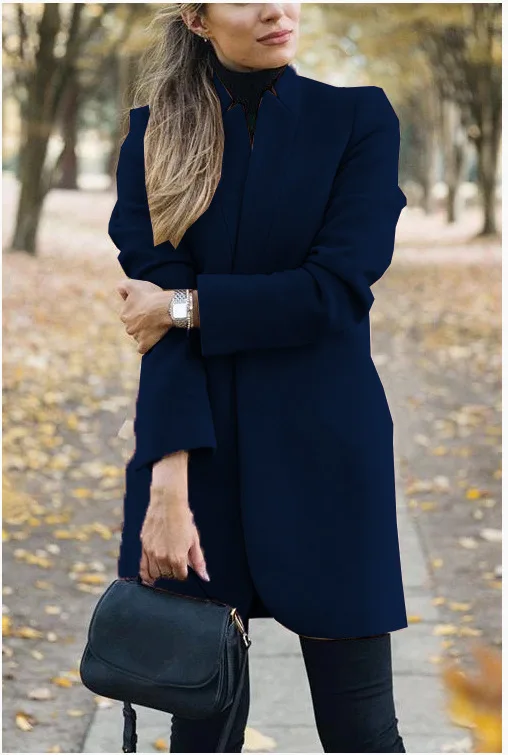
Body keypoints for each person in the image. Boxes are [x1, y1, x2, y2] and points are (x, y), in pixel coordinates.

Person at [109, 3, 408, 752]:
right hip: (196, 459)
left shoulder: (358, 120)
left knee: (364, 733)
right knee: (201, 726)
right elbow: (155, 330)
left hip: (328, 456)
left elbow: (333, 293)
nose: (277, 10)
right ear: (198, 18)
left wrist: (185, 305)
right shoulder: (153, 136)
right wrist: (167, 487)